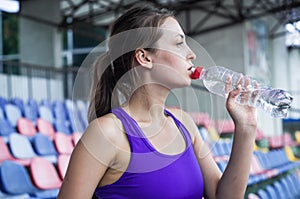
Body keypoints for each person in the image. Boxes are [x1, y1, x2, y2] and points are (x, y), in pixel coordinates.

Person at [58, 3, 257, 199]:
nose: (192, 54)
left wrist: (246, 128)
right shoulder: (107, 133)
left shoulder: (184, 124)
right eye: (179, 43)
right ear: (144, 57)